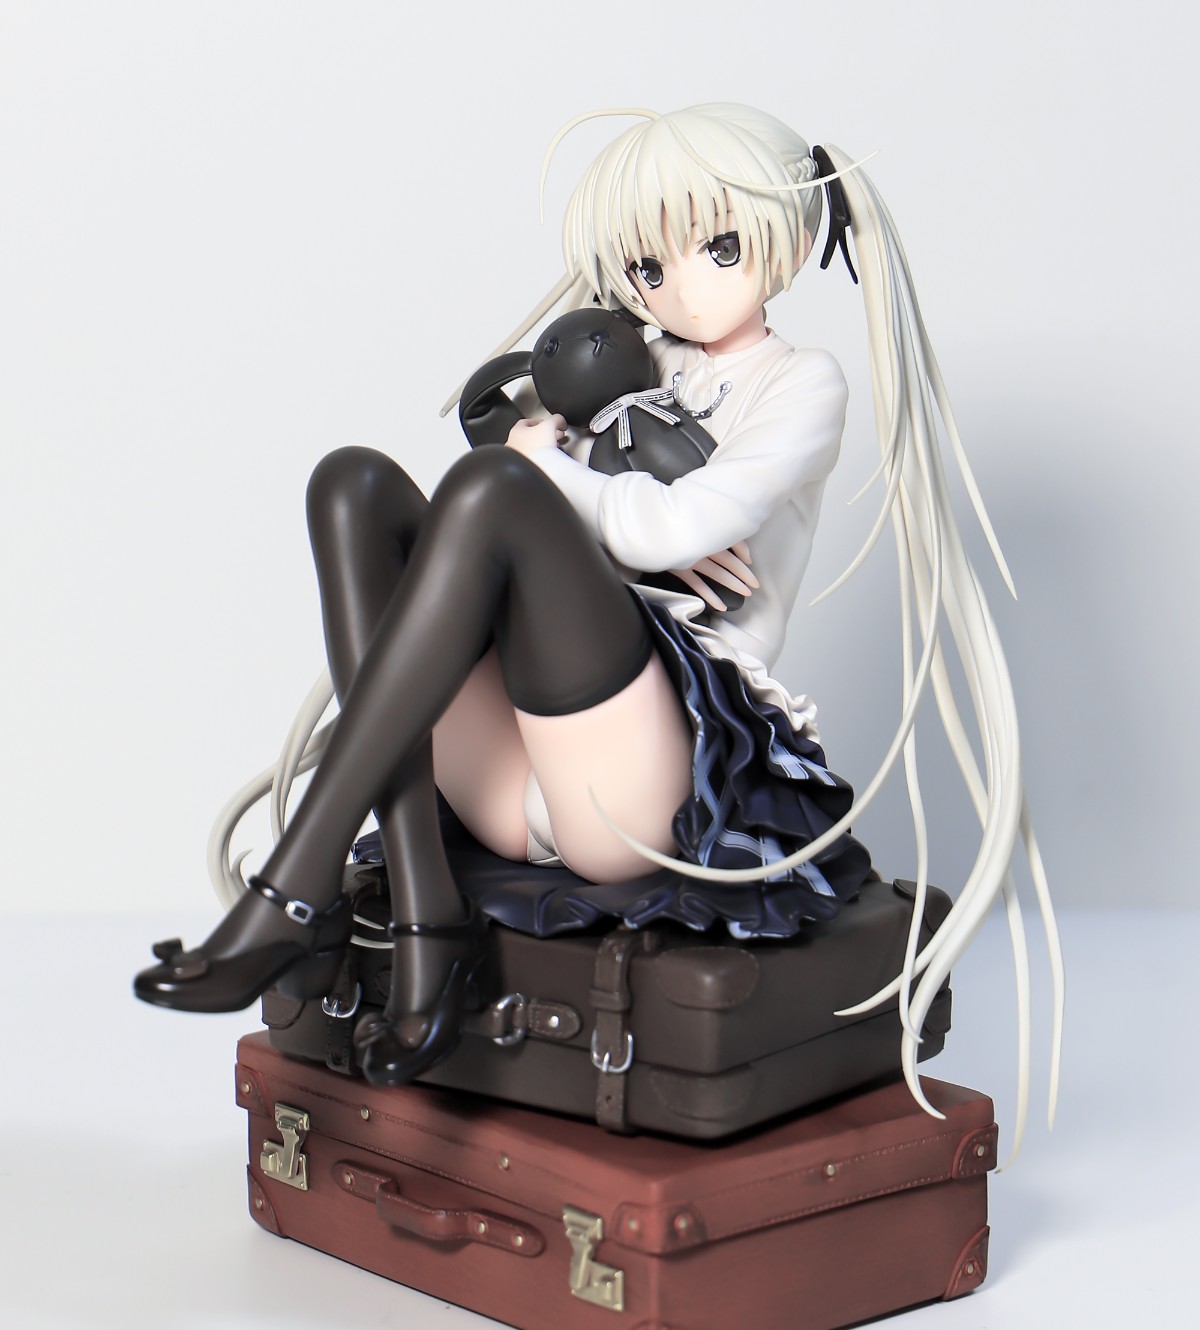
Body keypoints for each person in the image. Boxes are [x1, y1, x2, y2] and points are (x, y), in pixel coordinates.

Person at [135, 103, 1062, 1158]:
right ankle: (428, 919)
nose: (679, 288)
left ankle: (288, 895)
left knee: (494, 490)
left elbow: (675, 525)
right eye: (648, 266)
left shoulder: (801, 384)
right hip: (508, 776)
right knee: (351, 485)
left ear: (792, 234)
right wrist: (575, 487)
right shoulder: (628, 357)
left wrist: (551, 473)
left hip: (635, 787)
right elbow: (563, 502)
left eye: (718, 248)